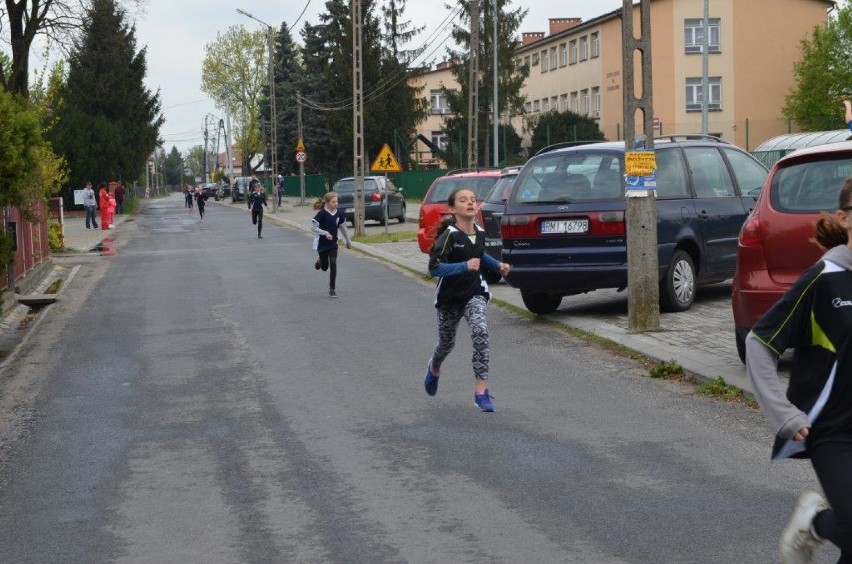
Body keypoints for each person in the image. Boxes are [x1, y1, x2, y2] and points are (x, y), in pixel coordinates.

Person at [747, 178, 852, 563]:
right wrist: (783, 415)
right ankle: (814, 523)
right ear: (844, 219)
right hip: (833, 431)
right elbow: (759, 343)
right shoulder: (823, 280)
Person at [423, 188, 510, 412]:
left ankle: (481, 391)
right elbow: (434, 268)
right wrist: (464, 266)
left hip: (474, 293)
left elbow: (480, 255)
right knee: (446, 343)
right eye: (463, 200)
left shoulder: (480, 232)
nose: (470, 203)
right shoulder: (449, 235)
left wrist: (497, 266)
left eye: (472, 199)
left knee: (480, 331)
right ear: (452, 209)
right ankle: (434, 367)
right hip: (450, 298)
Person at [310, 192, 351, 298]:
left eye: (337, 201)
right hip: (322, 244)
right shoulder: (322, 214)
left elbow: (343, 228)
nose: (336, 204)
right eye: (333, 202)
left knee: (333, 263)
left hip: (333, 243)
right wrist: (325, 233)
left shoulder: (339, 214)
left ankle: (332, 289)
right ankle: (320, 260)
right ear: (327, 202)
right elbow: (313, 228)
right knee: (324, 267)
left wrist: (348, 241)